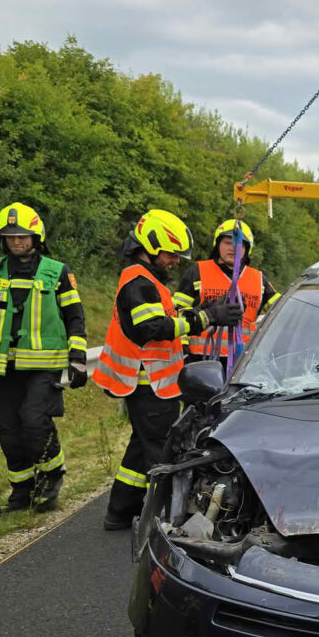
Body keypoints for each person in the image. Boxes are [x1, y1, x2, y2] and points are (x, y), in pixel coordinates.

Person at [93, 209, 241, 531]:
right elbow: (154, 328)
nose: (175, 260)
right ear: (151, 246)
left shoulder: (148, 281)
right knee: (162, 453)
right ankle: (166, 521)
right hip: (146, 382)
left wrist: (203, 312)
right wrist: (207, 318)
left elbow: (169, 318)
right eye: (171, 254)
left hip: (152, 383)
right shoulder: (139, 282)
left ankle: (119, 512)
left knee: (139, 449)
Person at [0, 202, 88, 514]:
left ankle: (52, 475)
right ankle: (21, 493)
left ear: (36, 236)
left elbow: (75, 317)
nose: (17, 241)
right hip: (5, 367)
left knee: (34, 422)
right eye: (10, 236)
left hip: (44, 367)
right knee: (9, 432)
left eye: (23, 236)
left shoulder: (57, 272)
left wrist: (78, 357)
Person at [173, 219, 281, 365]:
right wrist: (182, 343)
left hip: (243, 362)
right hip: (201, 358)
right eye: (227, 243)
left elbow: (282, 311)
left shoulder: (259, 279)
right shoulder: (197, 271)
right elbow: (177, 311)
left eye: (239, 244)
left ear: (247, 249)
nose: (233, 248)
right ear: (218, 245)